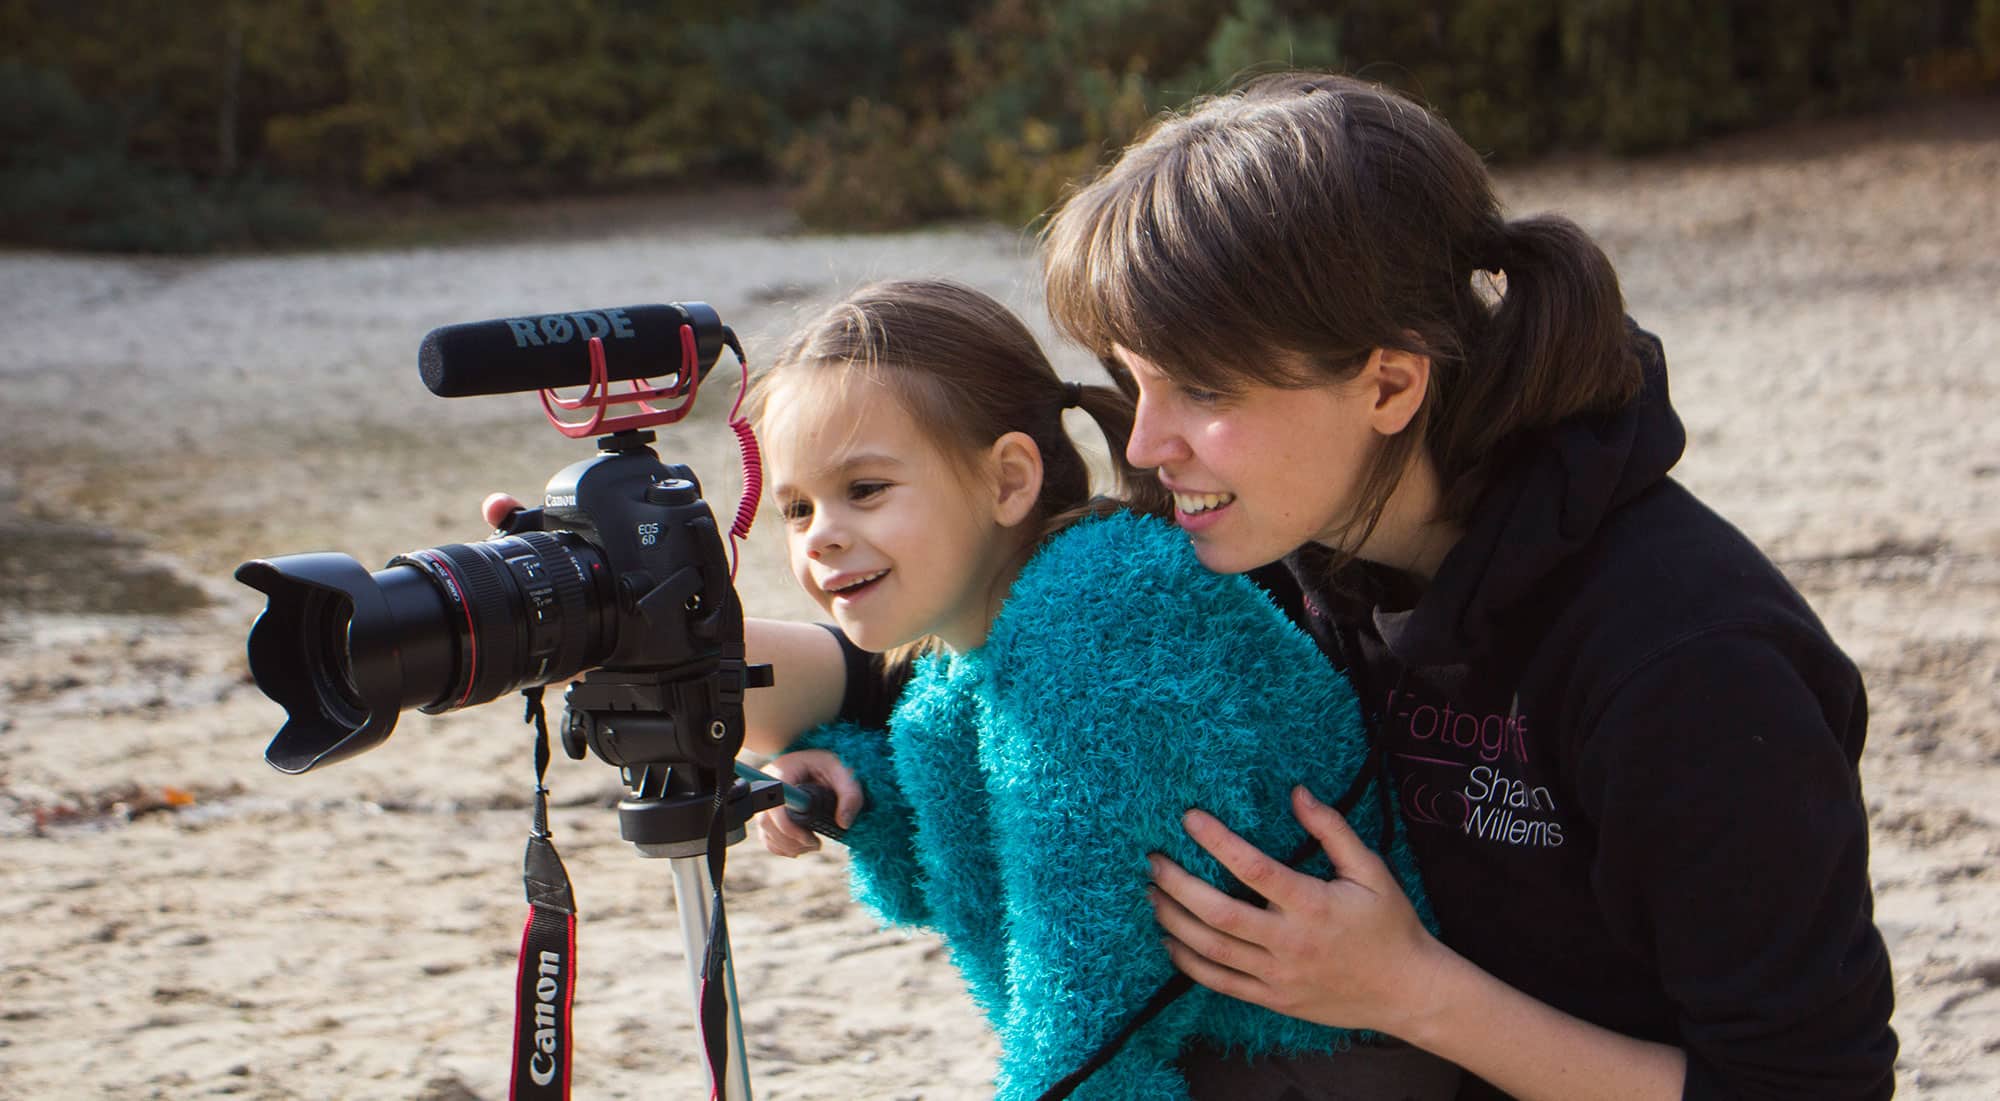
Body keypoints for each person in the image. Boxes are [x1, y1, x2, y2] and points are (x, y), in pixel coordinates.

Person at [1025, 71, 1899, 1100]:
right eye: (1135, 381)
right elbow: (1030, 642)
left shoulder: (1690, 661)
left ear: (1389, 383)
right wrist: (822, 711)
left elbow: (1807, 1088)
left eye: (1203, 388)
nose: (1144, 442)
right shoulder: (1282, 538)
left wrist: (1407, 991)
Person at [731, 278, 1458, 1100]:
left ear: (1009, 480)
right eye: (795, 508)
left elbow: (1091, 1014)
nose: (821, 534)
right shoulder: (964, 660)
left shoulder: (1097, 640)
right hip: (1210, 1032)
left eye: (864, 490)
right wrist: (858, 795)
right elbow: (946, 884)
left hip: (1326, 1055)